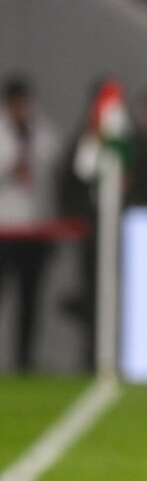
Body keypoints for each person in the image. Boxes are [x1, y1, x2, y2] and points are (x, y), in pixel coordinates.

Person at [0, 77, 62, 372]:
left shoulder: (38, 131)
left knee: (31, 298)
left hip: (35, 229)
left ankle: (25, 360)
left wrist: (28, 139)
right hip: (5, 229)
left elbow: (54, 155)